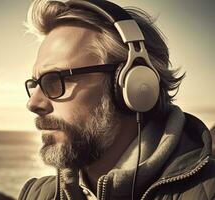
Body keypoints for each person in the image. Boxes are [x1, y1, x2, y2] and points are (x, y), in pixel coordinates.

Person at [18, 0, 215, 200]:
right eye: (35, 84)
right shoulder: (36, 194)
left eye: (55, 80)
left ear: (132, 86)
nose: (33, 103)